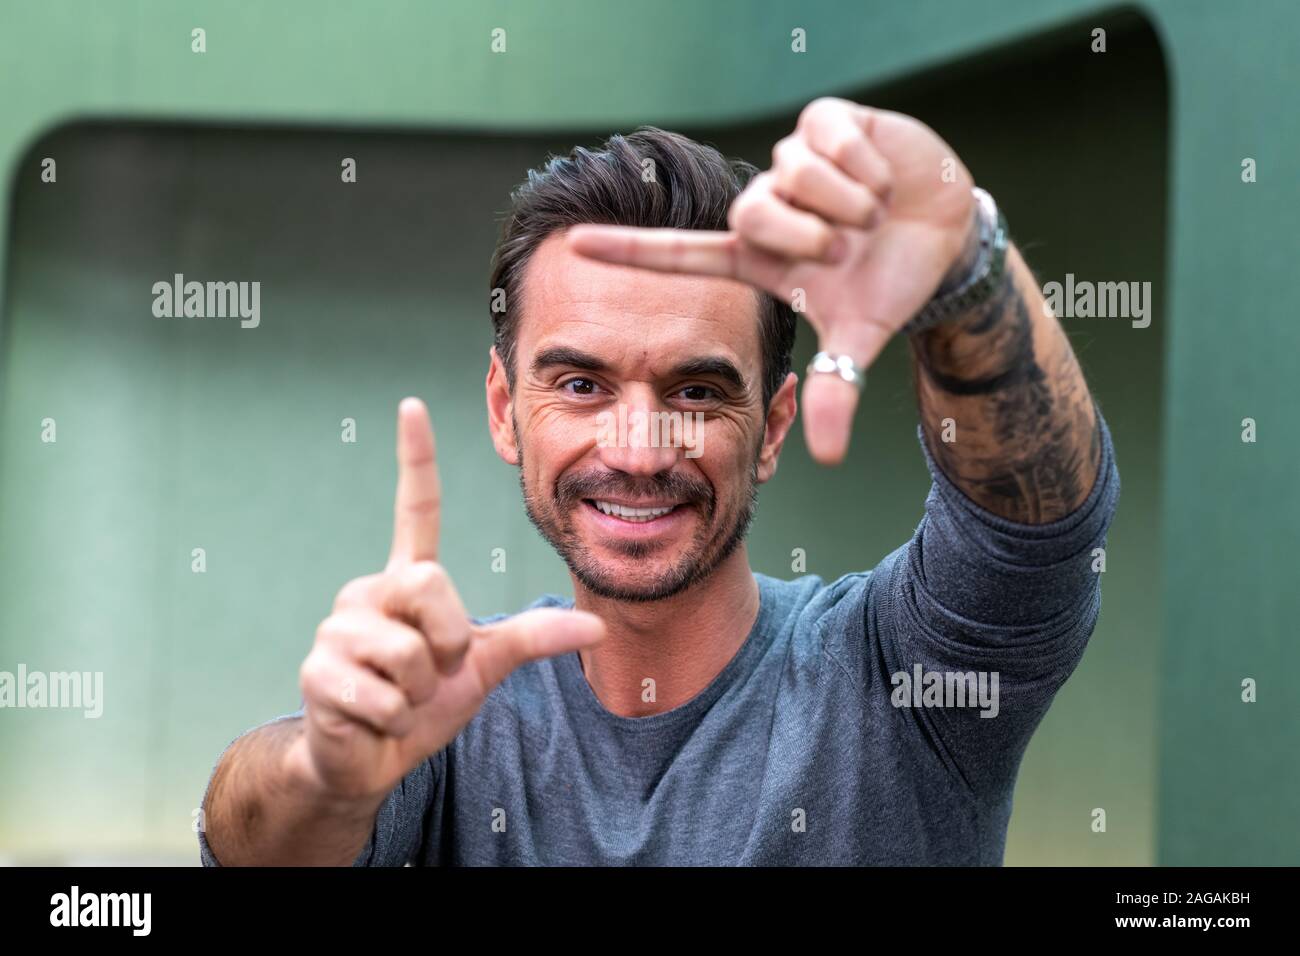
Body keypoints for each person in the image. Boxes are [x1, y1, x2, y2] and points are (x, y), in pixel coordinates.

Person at [199, 98, 1119, 865]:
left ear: (774, 426)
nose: (638, 450)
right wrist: (324, 770)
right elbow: (253, 848)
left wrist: (966, 275)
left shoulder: (901, 684)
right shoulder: (446, 714)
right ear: (502, 409)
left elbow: (1032, 529)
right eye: (581, 385)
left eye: (697, 390)